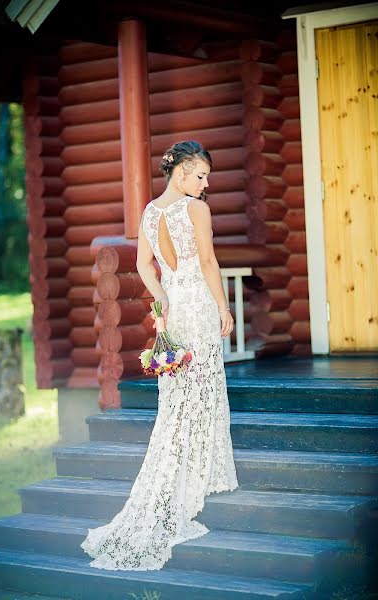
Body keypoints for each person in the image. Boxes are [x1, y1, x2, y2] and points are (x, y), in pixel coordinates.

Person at [80, 140, 239, 570]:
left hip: (173, 310)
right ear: (182, 170)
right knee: (202, 388)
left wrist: (163, 299)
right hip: (199, 306)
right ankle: (196, 480)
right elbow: (207, 261)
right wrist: (223, 307)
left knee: (175, 402)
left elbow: (144, 266)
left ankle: (179, 480)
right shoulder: (196, 210)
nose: (205, 185)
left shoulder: (150, 212)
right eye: (201, 175)